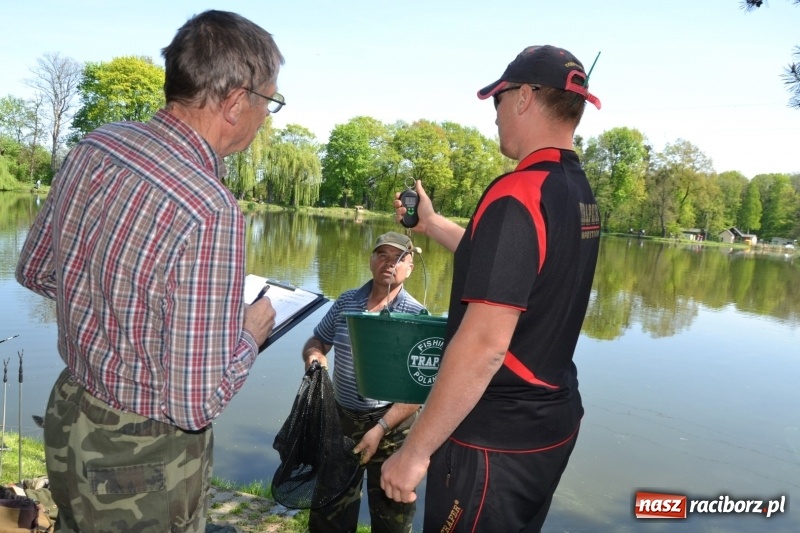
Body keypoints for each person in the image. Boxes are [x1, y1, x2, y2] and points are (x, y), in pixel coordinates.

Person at [15, 10, 283, 532]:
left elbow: (35, 270)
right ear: (235, 102)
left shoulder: (96, 146)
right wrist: (249, 335)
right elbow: (193, 405)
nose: (266, 116)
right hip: (142, 459)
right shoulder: (210, 210)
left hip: (70, 411)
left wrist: (114, 309)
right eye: (269, 101)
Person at [381, 45, 602, 532]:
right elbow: (511, 272)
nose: (495, 116)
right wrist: (433, 223)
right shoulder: (577, 191)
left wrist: (415, 452)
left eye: (497, 101)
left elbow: (484, 345)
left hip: (493, 442)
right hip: (551, 424)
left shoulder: (517, 192)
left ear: (524, 98)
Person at [302, 231, 425, 533]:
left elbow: (418, 390)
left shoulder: (417, 315)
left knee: (392, 519)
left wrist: (381, 427)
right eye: (381, 254)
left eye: (398, 258)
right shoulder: (346, 300)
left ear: (410, 268)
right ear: (371, 261)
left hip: (392, 426)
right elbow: (317, 339)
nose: (388, 262)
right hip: (341, 421)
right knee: (328, 515)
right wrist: (314, 356)